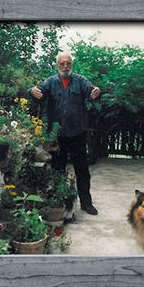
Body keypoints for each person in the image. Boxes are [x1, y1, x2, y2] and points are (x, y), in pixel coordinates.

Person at [29, 51, 101, 215]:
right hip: (56, 136)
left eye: (68, 63)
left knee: (82, 170)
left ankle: (86, 203)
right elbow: (38, 93)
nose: (65, 66)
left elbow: (92, 93)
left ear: (71, 65)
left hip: (77, 133)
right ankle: (57, 202)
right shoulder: (50, 82)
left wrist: (97, 92)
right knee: (57, 170)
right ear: (57, 65)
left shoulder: (80, 81)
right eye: (62, 63)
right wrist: (31, 91)